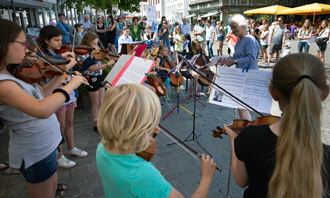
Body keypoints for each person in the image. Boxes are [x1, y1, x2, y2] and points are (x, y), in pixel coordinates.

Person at [0, 18, 88, 198]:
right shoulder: (3, 84)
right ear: (3, 44)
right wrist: (70, 85)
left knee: (52, 184)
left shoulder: (14, 73)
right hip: (35, 150)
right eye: (22, 43)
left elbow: (45, 94)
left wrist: (61, 75)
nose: (26, 48)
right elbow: (41, 109)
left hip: (48, 143)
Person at [224, 53, 330, 198]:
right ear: (325, 93)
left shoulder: (250, 137)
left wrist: (234, 140)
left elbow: (241, 180)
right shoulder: (327, 156)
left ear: (273, 93)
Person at [96, 83, 216, 198]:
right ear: (139, 127)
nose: (156, 127)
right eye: (152, 122)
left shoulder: (102, 146)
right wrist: (207, 177)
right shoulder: (142, 175)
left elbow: (123, 117)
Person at [220, 14, 260, 121]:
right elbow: (235, 57)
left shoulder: (249, 39)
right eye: (231, 27)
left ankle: (247, 127)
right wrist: (223, 61)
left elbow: (252, 58)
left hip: (249, 75)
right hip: (241, 75)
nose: (232, 30)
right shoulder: (239, 41)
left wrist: (234, 61)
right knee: (240, 105)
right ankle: (245, 126)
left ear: (242, 26)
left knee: (242, 106)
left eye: (234, 27)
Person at [78, 32, 115, 132]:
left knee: (101, 102)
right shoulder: (83, 54)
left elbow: (102, 59)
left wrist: (110, 57)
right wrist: (107, 64)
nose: (96, 46)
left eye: (97, 43)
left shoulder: (96, 52)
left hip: (100, 76)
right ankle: (96, 123)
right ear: (87, 42)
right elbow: (91, 68)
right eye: (94, 44)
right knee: (95, 103)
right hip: (91, 77)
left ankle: (102, 121)